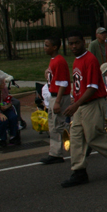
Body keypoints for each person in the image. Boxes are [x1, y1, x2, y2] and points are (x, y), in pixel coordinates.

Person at [60, 31, 107, 188]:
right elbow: (79, 84)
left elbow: (92, 87)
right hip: (81, 105)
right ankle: (79, 171)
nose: (73, 46)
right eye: (71, 43)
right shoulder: (76, 61)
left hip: (92, 103)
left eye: (76, 43)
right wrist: (75, 101)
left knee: (93, 136)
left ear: (84, 42)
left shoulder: (90, 60)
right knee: (76, 137)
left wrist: (76, 104)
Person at [41, 37, 69, 165]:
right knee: (53, 126)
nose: (45, 47)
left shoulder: (59, 61)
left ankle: (59, 152)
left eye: (47, 45)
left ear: (55, 47)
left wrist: (57, 101)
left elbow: (63, 83)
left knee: (58, 125)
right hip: (53, 95)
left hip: (59, 96)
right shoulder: (53, 61)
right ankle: (55, 153)